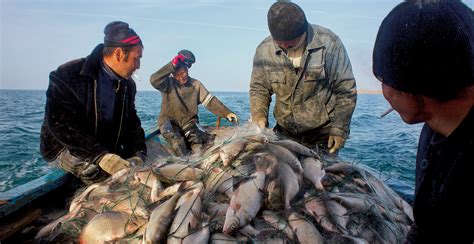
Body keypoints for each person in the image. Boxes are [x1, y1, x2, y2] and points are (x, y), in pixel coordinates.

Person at [373, 0, 473, 242]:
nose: (383, 89)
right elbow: (428, 227)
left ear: (414, 94)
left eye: (383, 79)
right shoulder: (437, 125)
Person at [40, 21, 147, 184]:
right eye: (136, 59)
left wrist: (138, 154)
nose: (138, 65)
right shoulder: (68, 74)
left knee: (133, 171)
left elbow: (132, 123)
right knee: (95, 172)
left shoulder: (128, 85)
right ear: (118, 54)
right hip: (64, 146)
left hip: (105, 147)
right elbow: (60, 124)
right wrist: (99, 156)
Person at [249, 1, 357, 154]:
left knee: (321, 177)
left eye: (291, 45)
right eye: (280, 44)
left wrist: (340, 129)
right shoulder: (264, 50)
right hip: (284, 133)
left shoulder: (329, 44)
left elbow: (345, 88)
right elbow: (259, 89)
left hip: (322, 135)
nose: (285, 47)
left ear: (304, 31)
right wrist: (259, 116)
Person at [150, 50, 239, 156]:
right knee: (177, 143)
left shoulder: (196, 84)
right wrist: (171, 65)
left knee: (197, 143)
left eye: (183, 73)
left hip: (189, 121)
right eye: (177, 75)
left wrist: (226, 113)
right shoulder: (166, 83)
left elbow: (209, 101)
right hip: (168, 121)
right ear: (172, 75)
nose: (181, 76)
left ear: (187, 70)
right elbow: (154, 80)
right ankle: (184, 165)